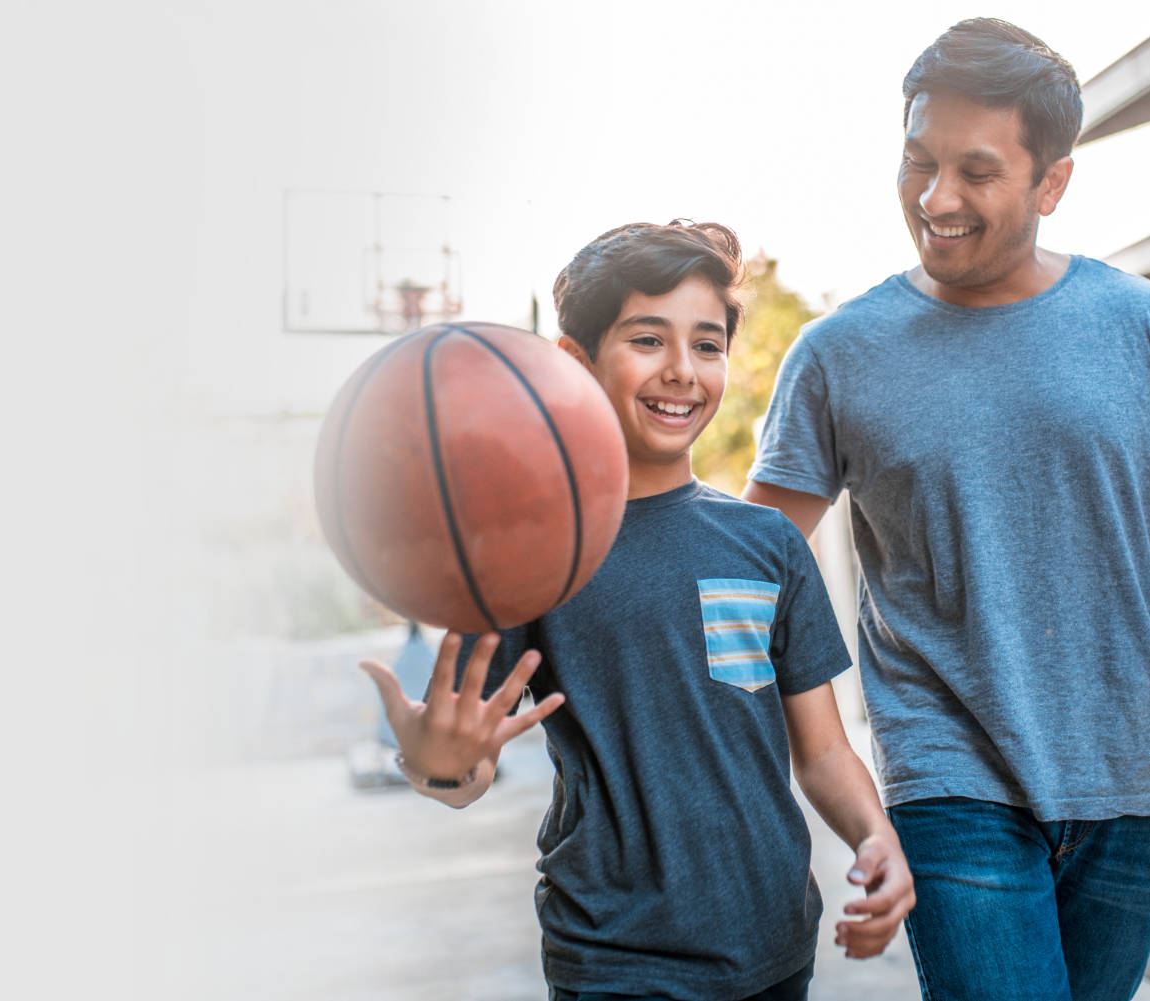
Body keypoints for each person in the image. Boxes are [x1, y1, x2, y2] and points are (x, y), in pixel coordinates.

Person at [361, 219, 914, 1001]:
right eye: (647, 340)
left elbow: (821, 751)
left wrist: (874, 835)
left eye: (708, 344)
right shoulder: (527, 555)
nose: (683, 371)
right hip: (615, 955)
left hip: (774, 944)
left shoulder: (765, 542)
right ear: (574, 363)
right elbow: (468, 767)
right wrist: (433, 757)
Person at [743, 18, 1150, 1001]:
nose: (934, 199)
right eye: (916, 163)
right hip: (947, 774)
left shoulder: (1130, 323)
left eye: (974, 171)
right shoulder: (838, 355)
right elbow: (750, 565)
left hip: (1129, 772)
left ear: (1050, 183)